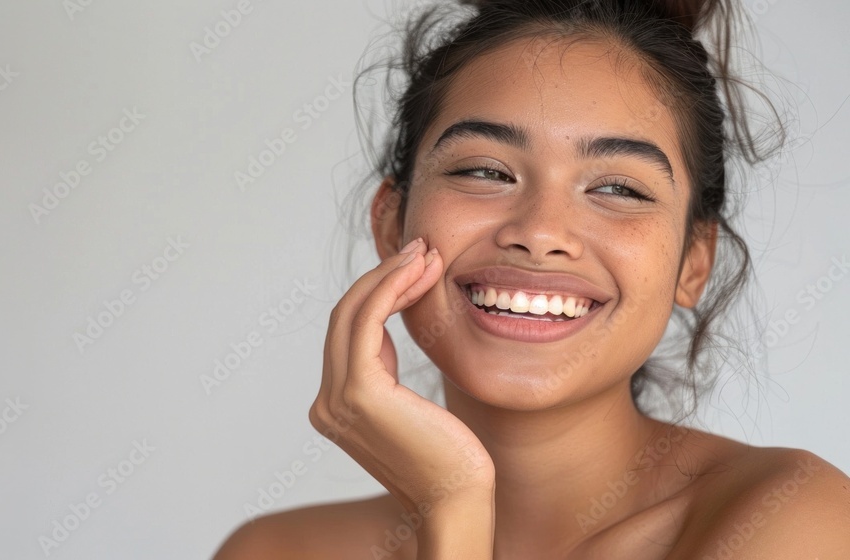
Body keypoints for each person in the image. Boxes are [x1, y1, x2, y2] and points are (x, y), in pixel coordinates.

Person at [215, 0, 850, 557]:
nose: (541, 231)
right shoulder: (275, 551)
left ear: (693, 262)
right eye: (485, 172)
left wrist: (453, 510)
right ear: (390, 225)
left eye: (618, 187)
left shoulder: (797, 520)